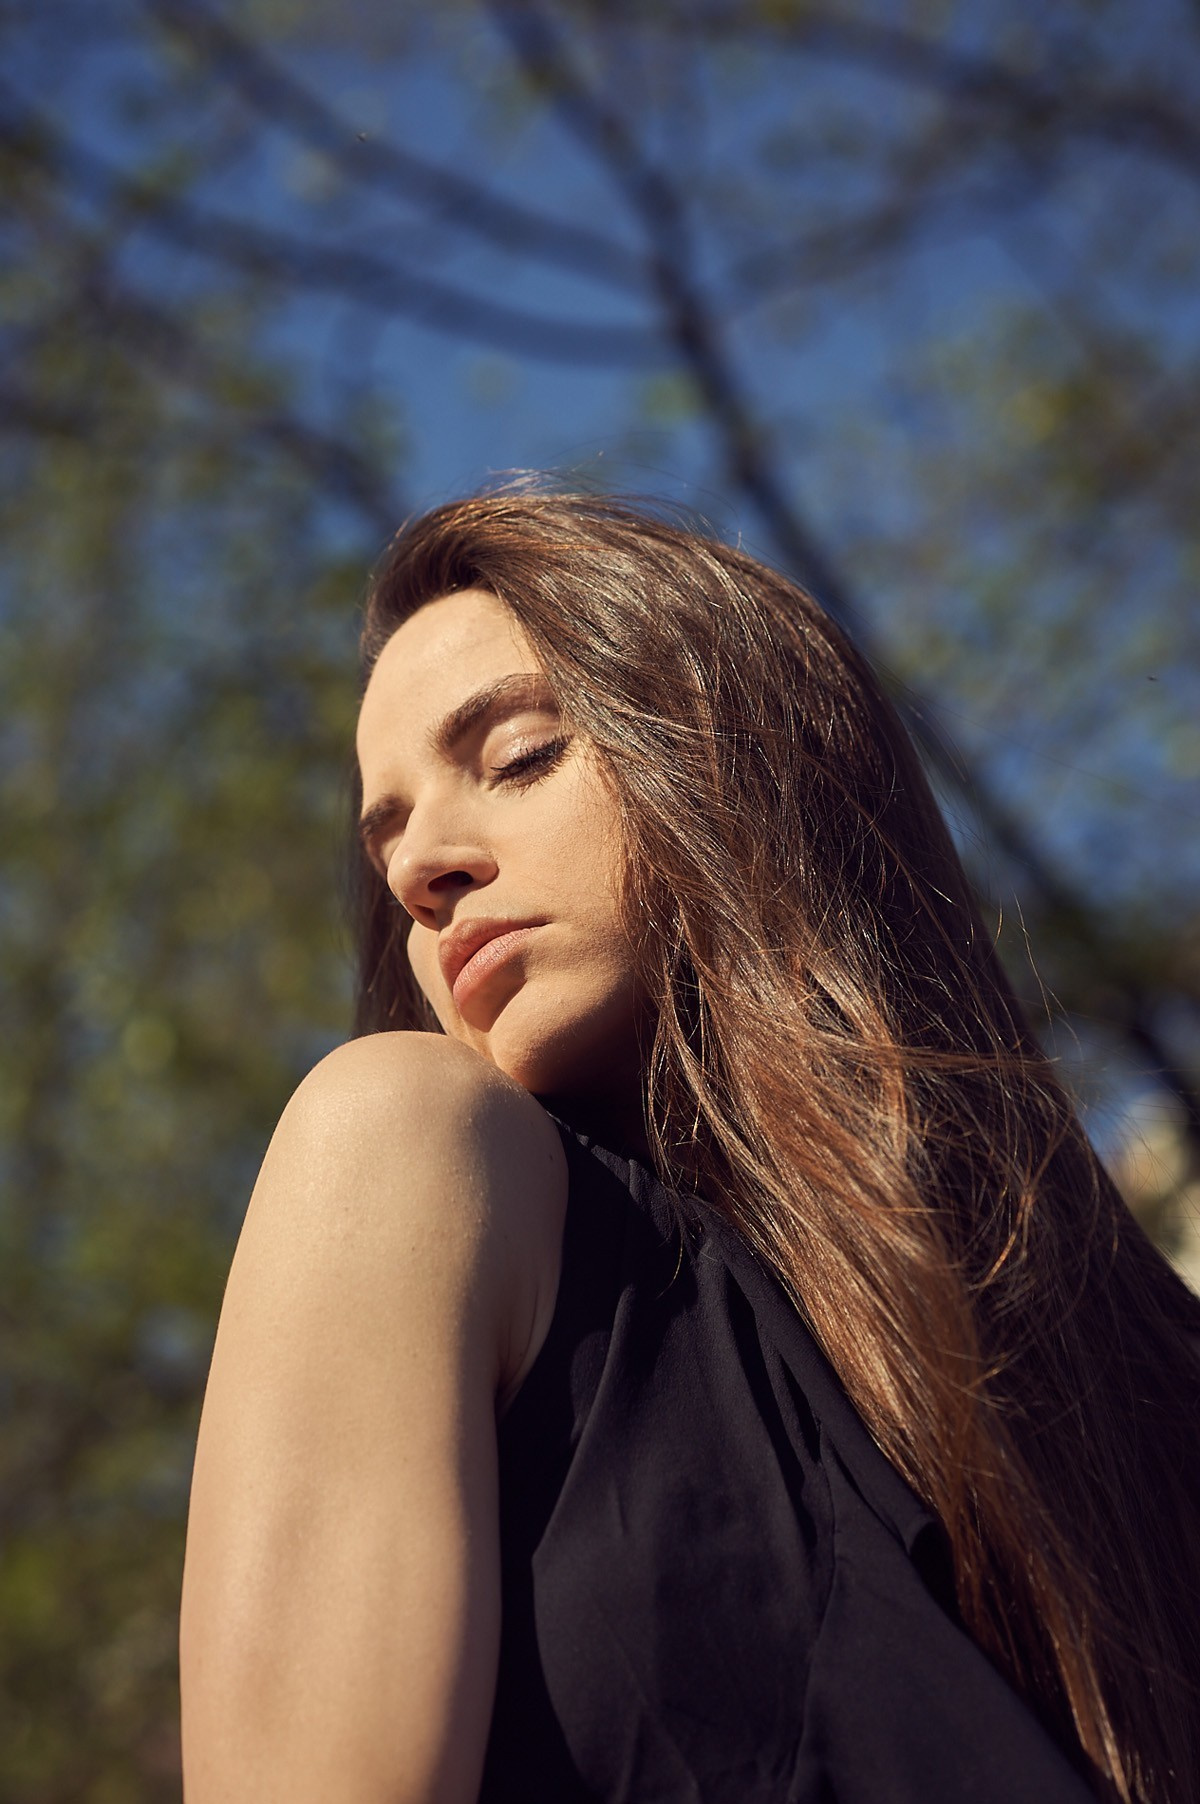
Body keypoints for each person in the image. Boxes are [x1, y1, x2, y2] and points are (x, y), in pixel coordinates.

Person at [179, 489, 1200, 1804]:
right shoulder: (405, 1143)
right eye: (390, 844)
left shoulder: (1148, 1401)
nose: (424, 865)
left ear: (743, 760)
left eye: (519, 755)